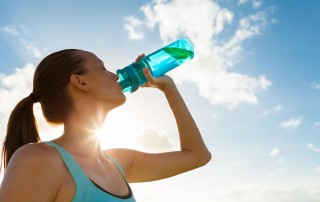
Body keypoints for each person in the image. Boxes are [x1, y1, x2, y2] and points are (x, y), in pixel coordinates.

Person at [0, 49, 211, 201]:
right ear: (80, 82)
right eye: (102, 68)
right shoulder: (37, 159)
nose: (115, 73)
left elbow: (198, 156)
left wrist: (168, 88)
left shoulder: (117, 162)